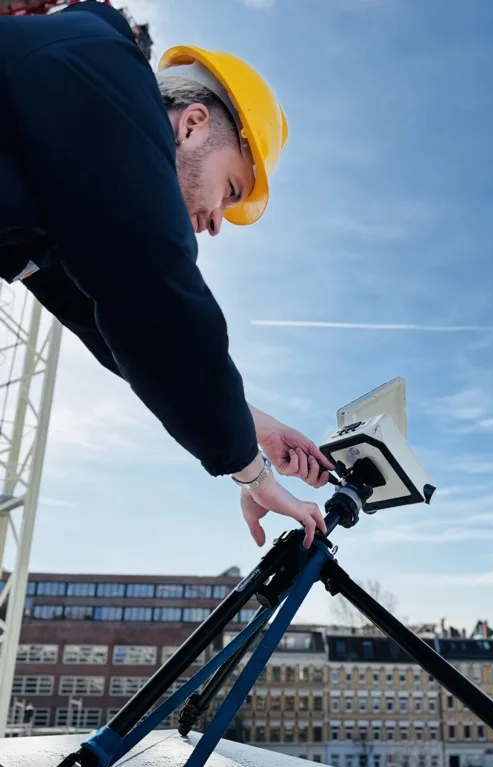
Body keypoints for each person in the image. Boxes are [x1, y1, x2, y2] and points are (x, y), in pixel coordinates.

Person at [0, 0, 334, 548]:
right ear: (194, 123)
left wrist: (256, 429)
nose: (218, 223)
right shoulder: (107, 70)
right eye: (229, 191)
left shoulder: (66, 189)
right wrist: (251, 472)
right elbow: (156, 291)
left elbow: (120, 333)